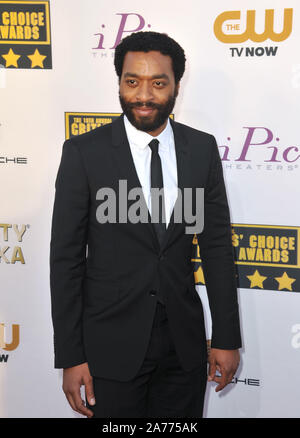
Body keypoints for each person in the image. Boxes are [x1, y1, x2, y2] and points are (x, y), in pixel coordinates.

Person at [50, 31, 242, 418]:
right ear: (119, 81)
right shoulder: (84, 153)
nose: (143, 95)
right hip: (110, 349)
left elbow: (217, 248)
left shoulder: (201, 149)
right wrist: (71, 356)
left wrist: (225, 338)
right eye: (132, 80)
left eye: (158, 83)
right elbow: (66, 261)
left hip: (184, 349)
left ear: (175, 86)